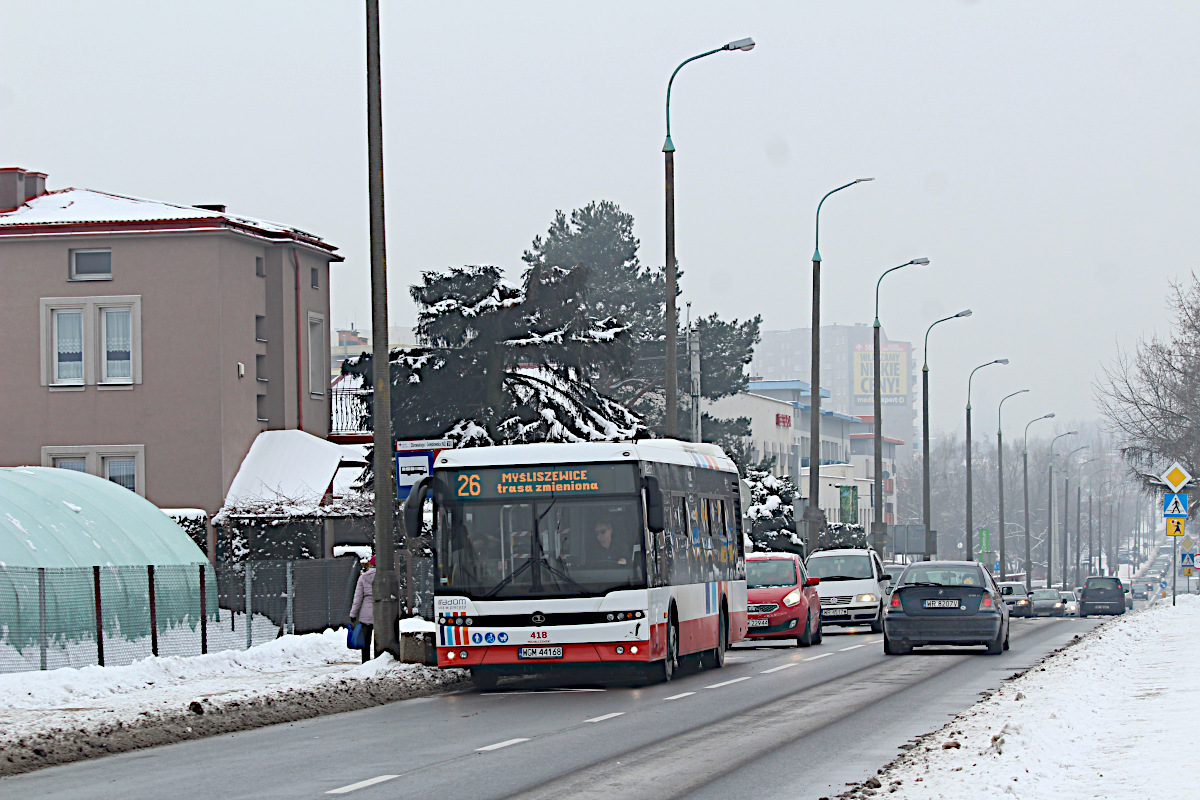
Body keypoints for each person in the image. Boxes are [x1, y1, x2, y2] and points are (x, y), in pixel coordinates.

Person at [349, 556, 375, 663]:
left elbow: (358, 597)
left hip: (366, 612)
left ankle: (366, 661)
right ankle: (381, 660)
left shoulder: (363, 577)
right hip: (382, 612)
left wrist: (353, 613)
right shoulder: (385, 576)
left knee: (366, 639)